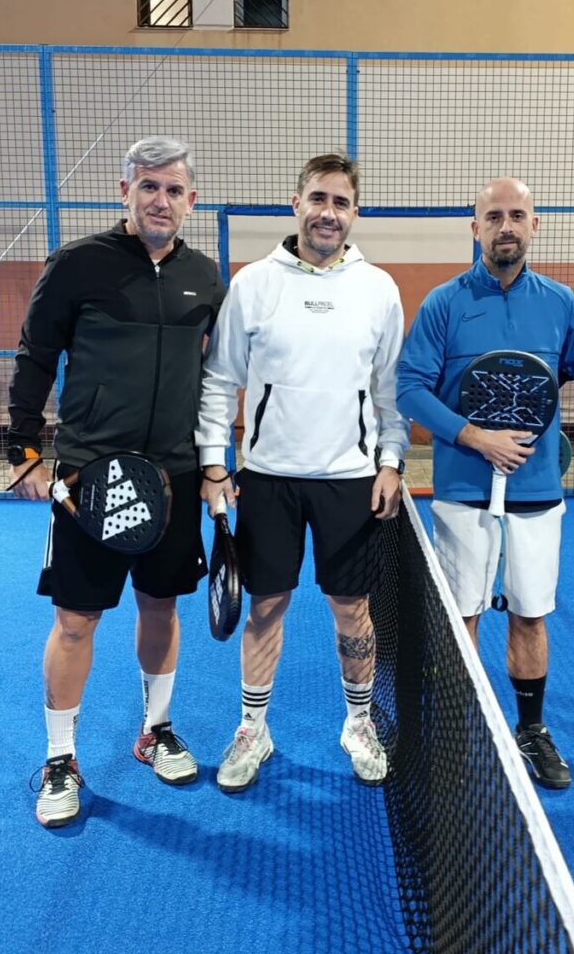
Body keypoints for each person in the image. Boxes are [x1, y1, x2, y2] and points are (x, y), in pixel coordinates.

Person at [7, 137, 227, 827]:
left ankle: (155, 728)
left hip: (175, 476)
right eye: (149, 186)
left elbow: (219, 376)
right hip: (88, 477)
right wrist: (24, 452)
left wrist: (218, 465)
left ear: (191, 200)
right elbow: (34, 355)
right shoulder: (77, 265)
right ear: (124, 190)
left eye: (174, 189)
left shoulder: (207, 277)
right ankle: (60, 758)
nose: (161, 200)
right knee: (76, 622)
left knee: (161, 607)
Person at [196, 153, 408, 793]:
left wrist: (391, 462)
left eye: (341, 202)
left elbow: (390, 390)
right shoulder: (255, 283)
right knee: (266, 607)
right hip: (267, 479)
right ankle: (253, 730)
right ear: (296, 204)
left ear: (355, 213)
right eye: (318, 198)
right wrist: (214, 463)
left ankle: (359, 722)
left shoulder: (380, 290)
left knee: (354, 609)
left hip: (350, 480)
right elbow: (218, 381)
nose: (328, 212)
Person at [397, 177, 574, 790]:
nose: (505, 226)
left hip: (537, 489)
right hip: (464, 489)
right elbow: (409, 388)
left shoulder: (561, 303)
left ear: (534, 225)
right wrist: (476, 437)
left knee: (532, 613)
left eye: (517, 215)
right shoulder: (444, 304)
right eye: (494, 216)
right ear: (475, 226)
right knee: (464, 614)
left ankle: (531, 730)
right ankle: (458, 727)